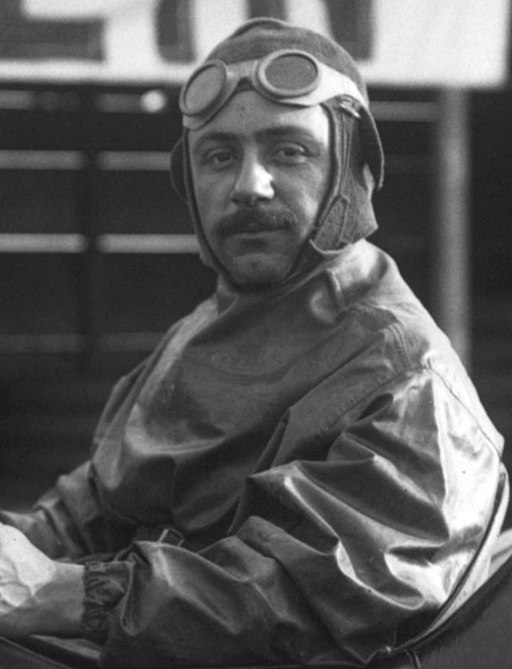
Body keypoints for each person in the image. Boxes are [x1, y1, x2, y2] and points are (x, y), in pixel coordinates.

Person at [0, 17, 507, 669]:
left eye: (288, 150)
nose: (249, 184)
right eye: (218, 156)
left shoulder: (408, 375)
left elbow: (308, 599)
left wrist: (70, 594)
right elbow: (87, 511)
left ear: (352, 172)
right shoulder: (196, 336)